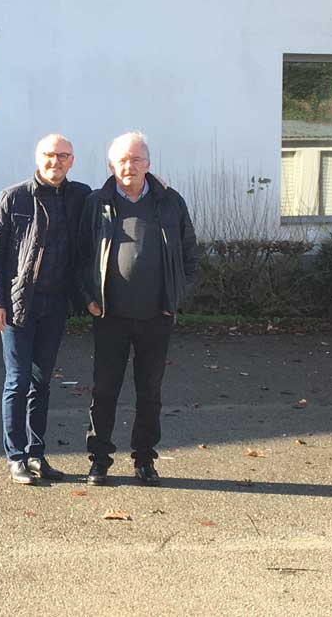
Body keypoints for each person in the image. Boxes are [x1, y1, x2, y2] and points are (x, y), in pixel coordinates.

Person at [79, 131, 196, 486]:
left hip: (156, 316)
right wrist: (89, 300)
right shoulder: (96, 203)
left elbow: (190, 256)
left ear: (148, 163)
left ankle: (144, 459)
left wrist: (174, 299)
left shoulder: (170, 201)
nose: (129, 166)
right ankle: (99, 459)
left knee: (150, 392)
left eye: (136, 159)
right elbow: (80, 258)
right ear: (111, 165)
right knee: (104, 391)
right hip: (110, 316)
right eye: (123, 160)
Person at [0, 134, 92, 485]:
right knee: (18, 381)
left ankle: (36, 454)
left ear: (72, 161)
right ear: (37, 157)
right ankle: (15, 458)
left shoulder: (80, 197)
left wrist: (155, 183)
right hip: (18, 305)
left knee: (42, 383)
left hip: (56, 304)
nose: (55, 161)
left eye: (63, 156)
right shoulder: (13, 197)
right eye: (49, 155)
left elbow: (116, 196)